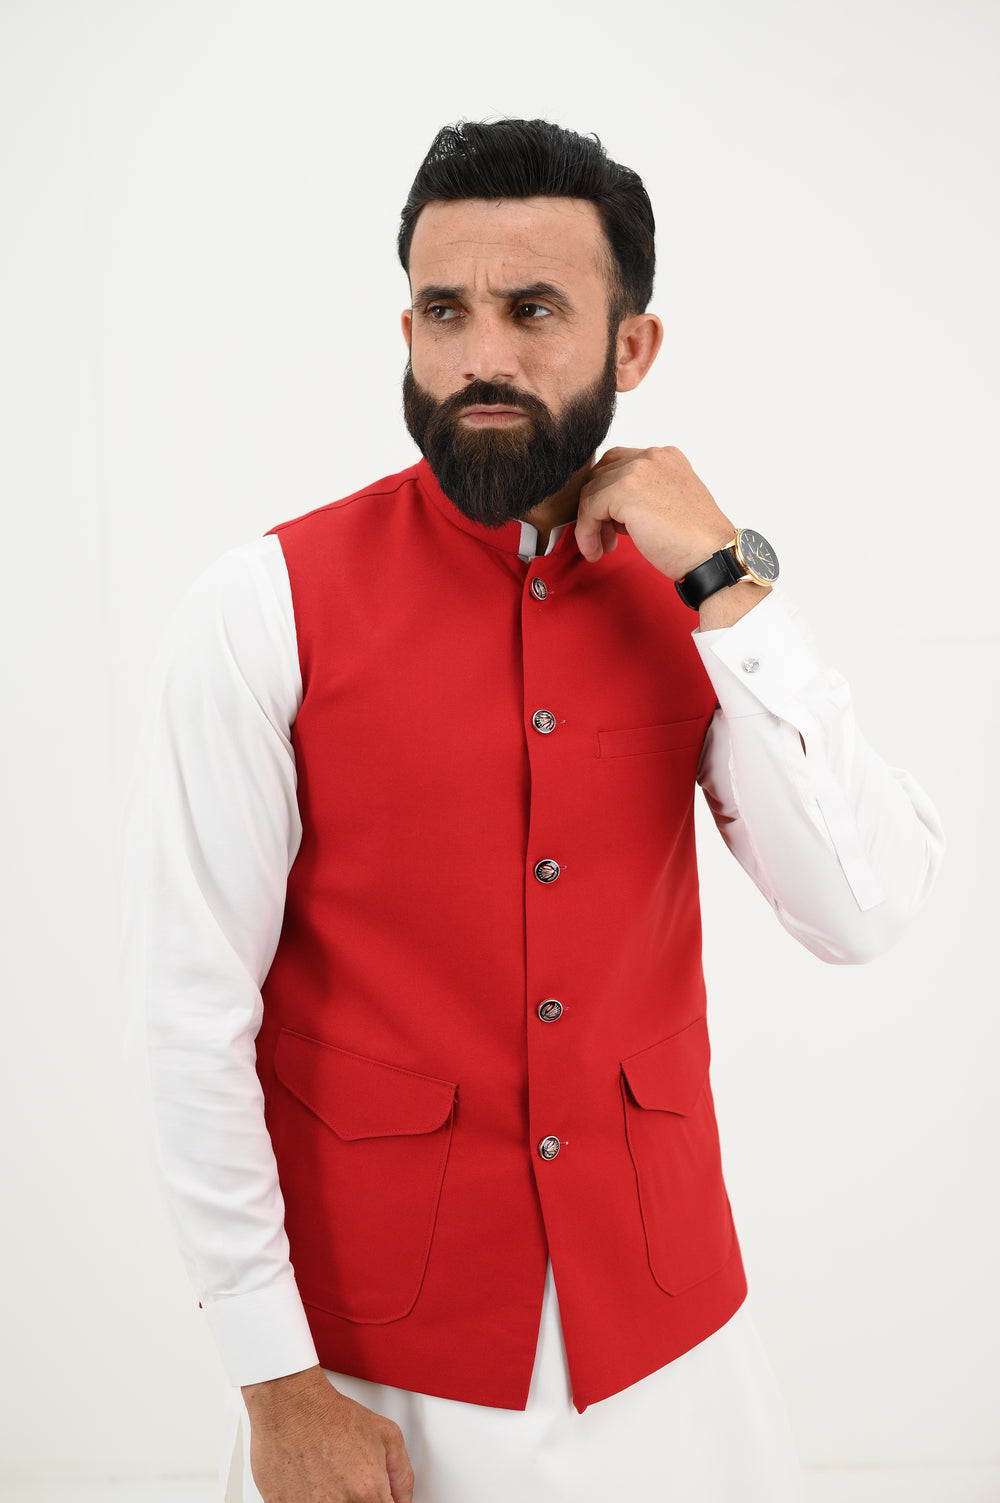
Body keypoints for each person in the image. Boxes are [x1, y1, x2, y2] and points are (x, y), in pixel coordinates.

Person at [121, 119, 943, 1503]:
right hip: (381, 1367)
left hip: (678, 1353)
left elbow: (862, 913)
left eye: (535, 310)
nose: (482, 356)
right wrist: (274, 1382)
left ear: (634, 346)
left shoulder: (698, 605)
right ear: (407, 332)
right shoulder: (258, 609)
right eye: (446, 312)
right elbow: (188, 1015)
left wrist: (728, 578)